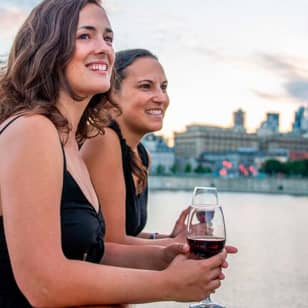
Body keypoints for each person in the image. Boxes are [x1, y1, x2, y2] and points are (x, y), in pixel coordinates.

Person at [0, 1, 237, 308]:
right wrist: (169, 285)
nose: (103, 48)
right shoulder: (31, 130)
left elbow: (93, 252)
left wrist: (164, 255)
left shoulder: (67, 140)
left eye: (108, 38)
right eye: (85, 36)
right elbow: (43, 284)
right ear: (48, 48)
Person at [81, 49, 188, 246]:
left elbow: (121, 234)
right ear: (110, 94)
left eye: (163, 87)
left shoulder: (141, 154)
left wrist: (169, 239)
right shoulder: (103, 141)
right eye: (146, 87)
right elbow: (110, 245)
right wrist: (179, 246)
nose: (161, 98)